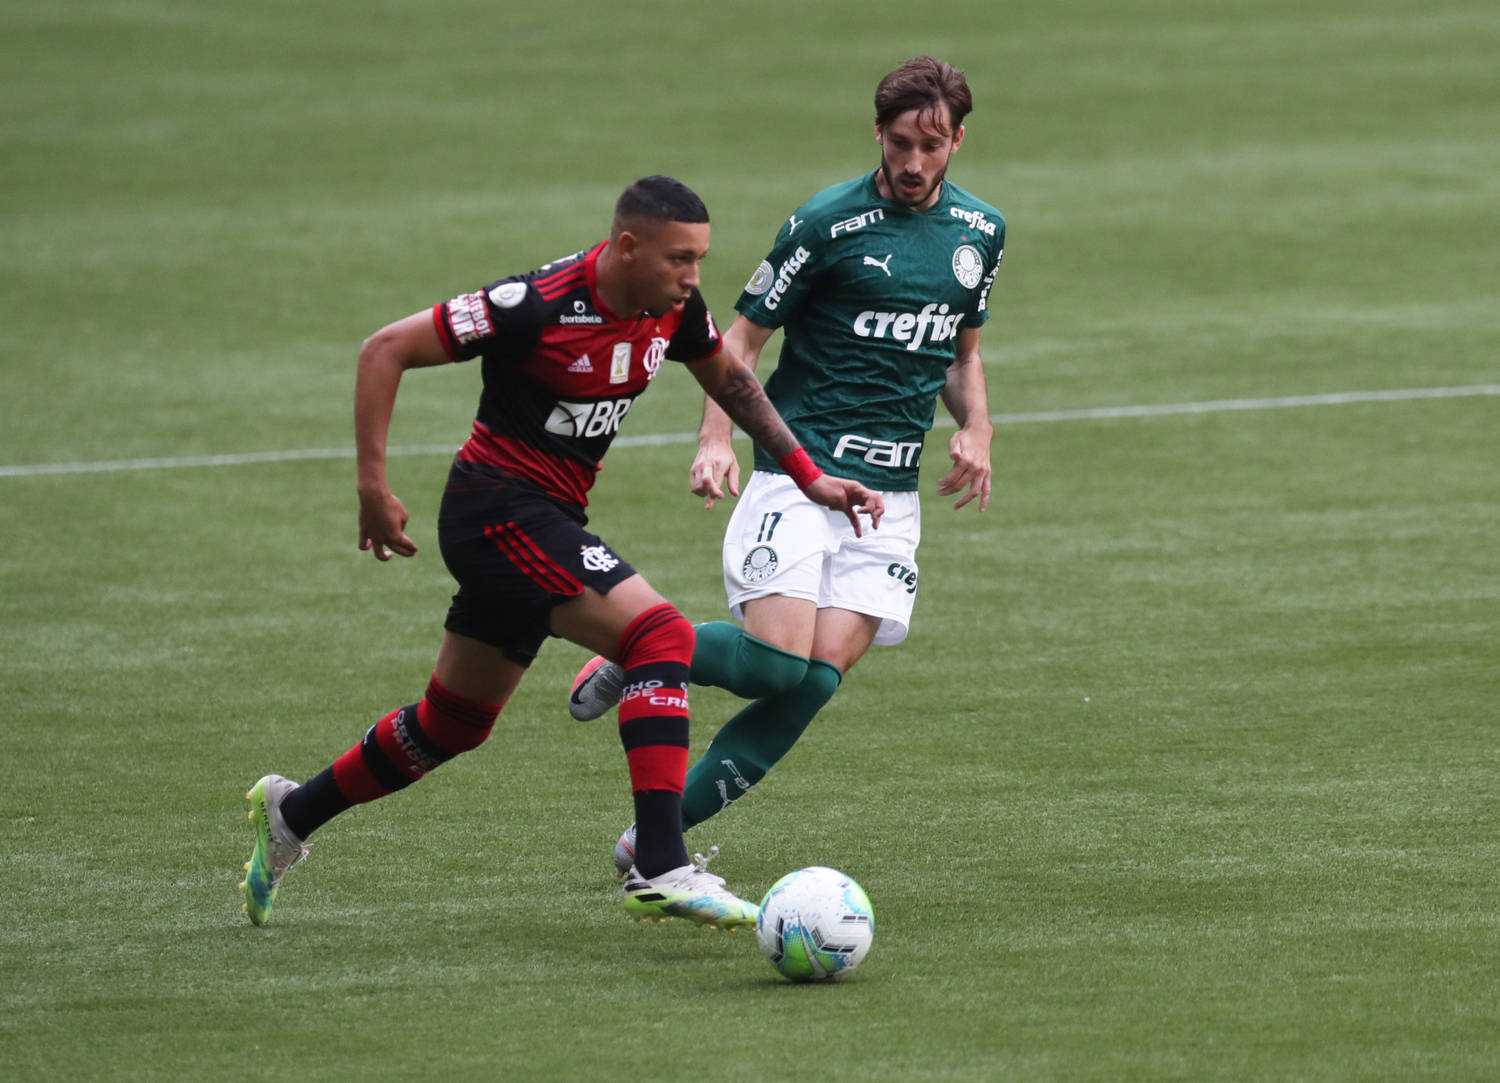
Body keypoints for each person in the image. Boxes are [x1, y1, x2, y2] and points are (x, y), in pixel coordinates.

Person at [241, 175, 883, 929]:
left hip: (543, 520)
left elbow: (734, 383)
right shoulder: (534, 305)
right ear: (627, 246)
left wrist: (810, 479)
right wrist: (372, 490)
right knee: (662, 634)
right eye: (680, 259)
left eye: (701, 260)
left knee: (452, 723)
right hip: (496, 513)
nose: (693, 278)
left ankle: (290, 811)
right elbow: (384, 349)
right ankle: (661, 861)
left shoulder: (671, 311)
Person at [568, 58, 1003, 873]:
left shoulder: (981, 234)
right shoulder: (825, 225)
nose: (914, 163)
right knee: (774, 660)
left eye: (932, 146)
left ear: (957, 142)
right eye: (902, 142)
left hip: (888, 498)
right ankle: (640, 646)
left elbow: (959, 354)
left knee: (813, 680)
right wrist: (714, 437)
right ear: (878, 133)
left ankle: (646, 844)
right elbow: (735, 342)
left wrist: (977, 426)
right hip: (797, 473)